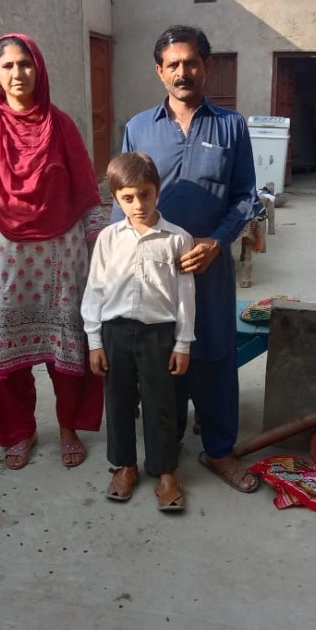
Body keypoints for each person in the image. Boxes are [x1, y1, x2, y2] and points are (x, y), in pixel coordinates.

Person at [0, 33, 105, 470]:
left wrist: (104, 254)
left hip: (61, 261)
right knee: (4, 352)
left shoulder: (60, 125)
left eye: (25, 64)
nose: (17, 74)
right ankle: (19, 432)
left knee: (69, 346)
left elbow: (86, 193)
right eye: (7, 66)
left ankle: (68, 426)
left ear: (39, 69)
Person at [118, 25, 260, 493]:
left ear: (207, 66)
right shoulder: (138, 128)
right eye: (173, 64)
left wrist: (218, 241)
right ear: (160, 72)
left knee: (216, 353)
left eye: (191, 62)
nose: (183, 72)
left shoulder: (231, 126)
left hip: (211, 264)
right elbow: (126, 196)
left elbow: (244, 197)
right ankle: (167, 449)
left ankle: (219, 450)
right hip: (157, 273)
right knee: (162, 358)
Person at [82, 152, 196, 511]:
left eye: (145, 194)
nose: (138, 204)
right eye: (128, 198)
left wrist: (182, 343)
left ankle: (164, 472)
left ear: (157, 191)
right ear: (116, 198)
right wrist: (94, 340)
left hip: (159, 334)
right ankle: (125, 466)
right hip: (115, 332)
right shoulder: (108, 238)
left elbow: (185, 296)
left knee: (161, 402)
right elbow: (95, 289)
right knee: (117, 401)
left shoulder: (177, 239)